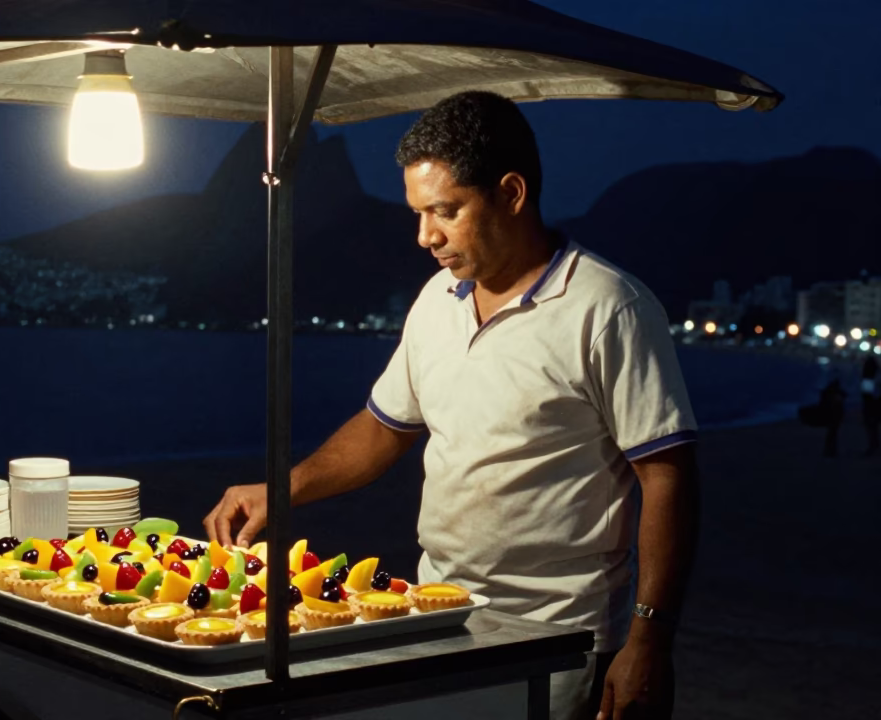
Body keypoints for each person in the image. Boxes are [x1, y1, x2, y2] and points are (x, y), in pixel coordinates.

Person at [204, 92, 699, 720]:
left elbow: (668, 477)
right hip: (438, 612)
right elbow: (383, 429)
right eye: (418, 213)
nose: (425, 236)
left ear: (511, 193)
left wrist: (650, 639)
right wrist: (281, 490)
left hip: (559, 633)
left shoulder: (608, 308)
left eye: (446, 210)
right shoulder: (438, 297)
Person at [819, 377, 846, 458]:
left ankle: (829, 450)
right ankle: (831, 451)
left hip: (832, 416)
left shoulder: (828, 393)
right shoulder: (834, 394)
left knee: (831, 434)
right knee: (832, 434)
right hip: (834, 416)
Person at [861, 355, 879, 456]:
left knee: (872, 428)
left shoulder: (867, 378)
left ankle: (873, 446)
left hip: (871, 406)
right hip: (875, 405)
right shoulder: (876, 376)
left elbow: (867, 394)